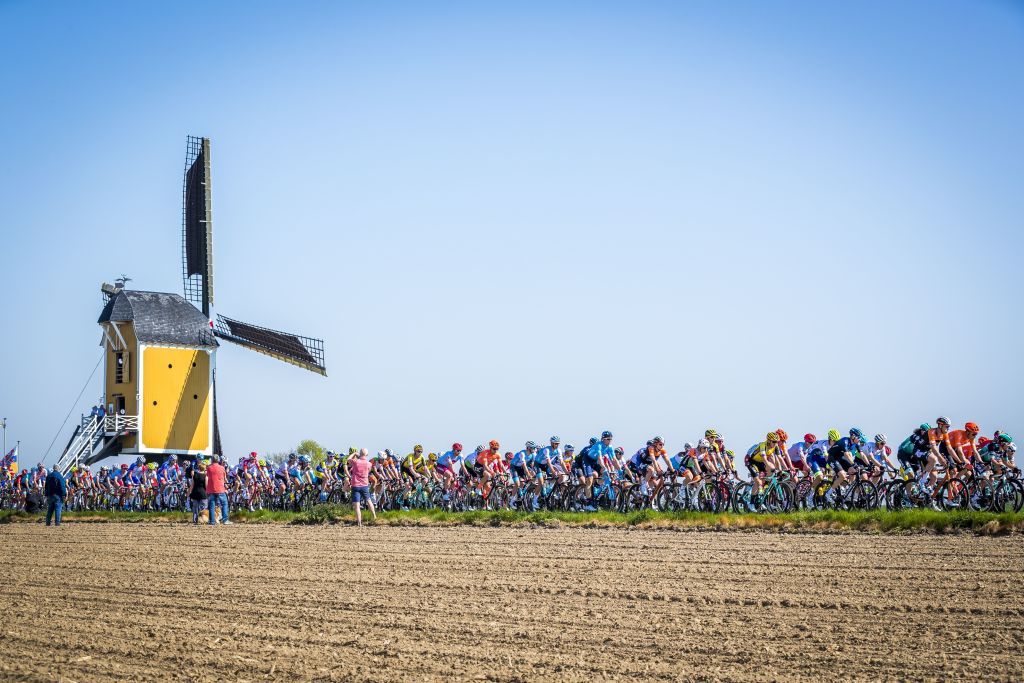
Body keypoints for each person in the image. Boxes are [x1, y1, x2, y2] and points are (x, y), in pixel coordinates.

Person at [348, 448, 376, 526]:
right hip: (364, 485)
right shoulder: (369, 464)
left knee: (357, 505)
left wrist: (354, 454)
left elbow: (348, 459)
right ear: (367, 455)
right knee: (369, 500)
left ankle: (359, 522)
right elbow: (369, 470)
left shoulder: (356, 462)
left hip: (355, 485)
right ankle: (374, 517)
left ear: (360, 454)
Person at [206, 455, 230, 525]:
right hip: (220, 489)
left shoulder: (209, 468)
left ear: (212, 460)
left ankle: (212, 521)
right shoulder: (222, 468)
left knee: (211, 505)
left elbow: (207, 477)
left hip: (211, 489)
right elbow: (224, 478)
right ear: (218, 460)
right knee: (224, 503)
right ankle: (225, 520)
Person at [187, 459, 208, 524]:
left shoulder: (194, 476)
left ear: (198, 468)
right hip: (203, 493)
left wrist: (188, 493)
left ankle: (195, 520)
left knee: (195, 508)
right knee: (203, 508)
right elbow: (206, 486)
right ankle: (202, 520)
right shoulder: (205, 476)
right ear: (204, 469)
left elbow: (192, 486)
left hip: (195, 493)